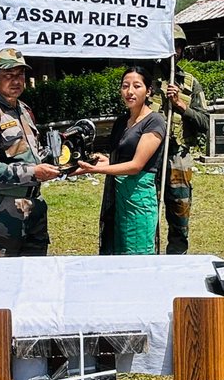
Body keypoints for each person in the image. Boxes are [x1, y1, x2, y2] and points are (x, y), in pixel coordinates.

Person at [0, 48, 61, 257]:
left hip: (34, 206)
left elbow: (33, 154)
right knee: (2, 277)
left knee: (34, 274)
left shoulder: (24, 110)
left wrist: (58, 165)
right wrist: (34, 172)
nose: (16, 81)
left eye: (20, 75)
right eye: (8, 76)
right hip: (6, 210)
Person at [78, 66, 167, 255]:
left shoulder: (155, 121)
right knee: (118, 252)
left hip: (138, 198)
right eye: (125, 86)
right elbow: (119, 160)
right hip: (119, 197)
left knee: (137, 254)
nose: (130, 91)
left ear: (148, 91)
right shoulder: (121, 121)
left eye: (137, 86)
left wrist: (95, 170)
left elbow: (136, 166)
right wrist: (97, 163)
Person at [152, 24, 210, 254]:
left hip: (179, 159)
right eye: (169, 45)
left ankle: (177, 258)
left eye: (177, 46)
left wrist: (181, 106)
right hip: (150, 157)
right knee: (148, 213)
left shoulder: (189, 83)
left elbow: (205, 122)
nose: (173, 51)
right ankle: (149, 257)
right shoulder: (145, 78)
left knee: (179, 214)